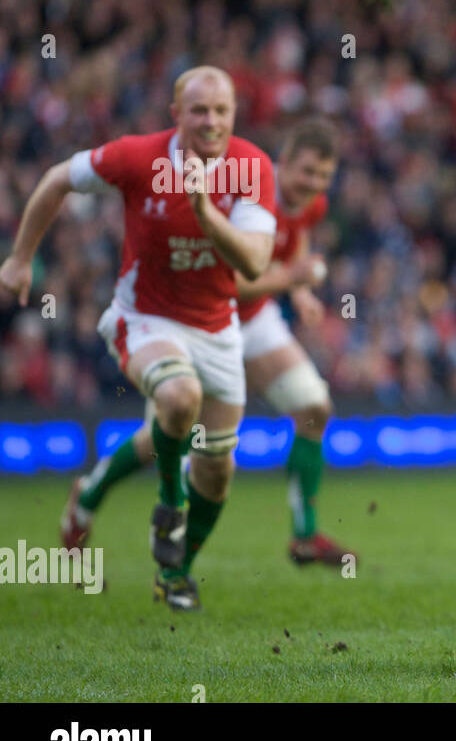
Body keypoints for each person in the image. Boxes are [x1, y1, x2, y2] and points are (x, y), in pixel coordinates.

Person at [0, 66, 277, 610]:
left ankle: (166, 567)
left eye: (221, 110)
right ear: (176, 114)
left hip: (218, 328)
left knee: (216, 470)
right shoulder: (137, 157)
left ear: (234, 115)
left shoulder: (252, 166)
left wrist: (202, 208)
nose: (211, 121)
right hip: (144, 317)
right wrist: (20, 257)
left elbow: (253, 261)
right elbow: (59, 178)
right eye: (199, 110)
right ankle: (168, 505)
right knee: (178, 399)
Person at [59, 119, 354, 566]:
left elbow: (296, 247)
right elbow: (229, 283)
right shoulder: (249, 190)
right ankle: (89, 495)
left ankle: (304, 536)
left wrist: (299, 291)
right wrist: (290, 278)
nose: (313, 185)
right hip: (202, 318)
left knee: (314, 408)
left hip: (255, 322)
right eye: (306, 172)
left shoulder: (310, 205)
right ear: (282, 164)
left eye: (323, 177)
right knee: (163, 437)